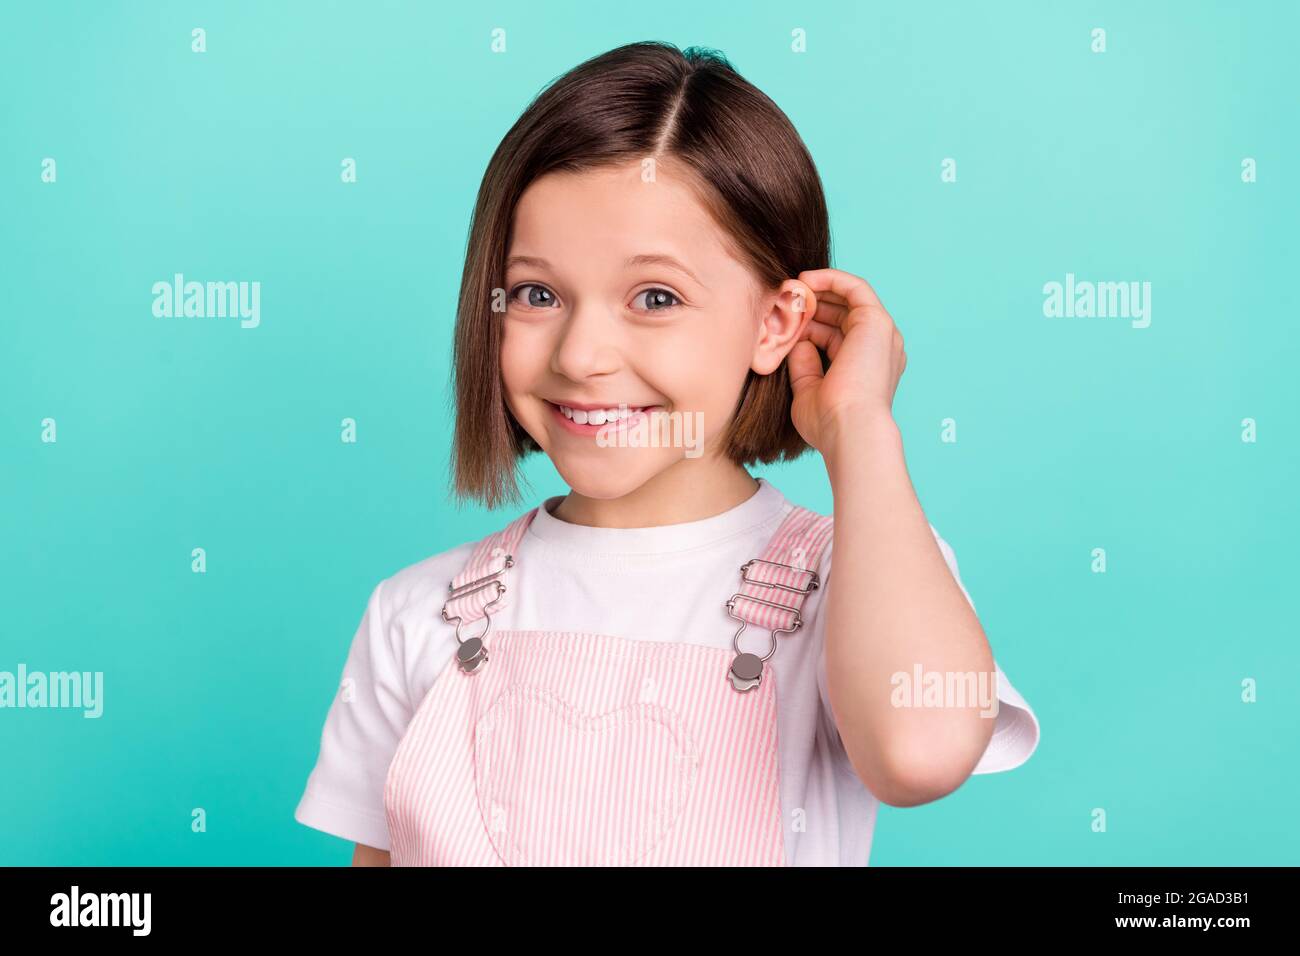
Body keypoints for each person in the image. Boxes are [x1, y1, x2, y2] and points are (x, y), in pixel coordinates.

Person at [295, 40, 1039, 867]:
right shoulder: (417, 614)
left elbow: (920, 754)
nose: (581, 356)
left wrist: (858, 424)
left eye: (655, 298)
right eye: (538, 294)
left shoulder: (861, 580)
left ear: (775, 324)